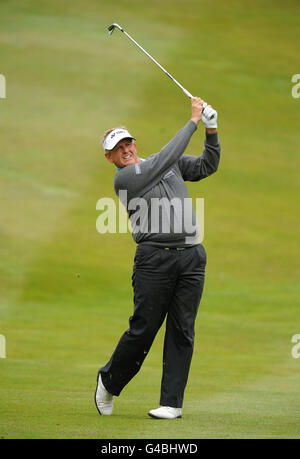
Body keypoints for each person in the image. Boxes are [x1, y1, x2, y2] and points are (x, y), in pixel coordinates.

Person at [95, 97, 221, 419]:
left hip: (192, 256)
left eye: (128, 143)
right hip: (154, 260)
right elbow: (165, 160)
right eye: (118, 148)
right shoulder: (125, 179)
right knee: (144, 329)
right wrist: (192, 121)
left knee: (183, 330)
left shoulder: (166, 163)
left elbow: (207, 165)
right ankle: (109, 381)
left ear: (134, 143)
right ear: (110, 157)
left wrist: (211, 128)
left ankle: (171, 404)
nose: (125, 150)